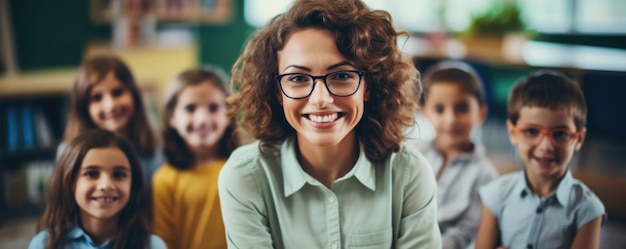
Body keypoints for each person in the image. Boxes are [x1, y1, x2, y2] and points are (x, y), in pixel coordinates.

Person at [217, 0, 441, 248]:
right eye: (298, 78)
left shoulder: (409, 175)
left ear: (368, 85)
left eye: (342, 76)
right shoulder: (246, 178)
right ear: (278, 91)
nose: (321, 99)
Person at [475, 70, 605, 249]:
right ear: (513, 133)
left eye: (560, 133)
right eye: (532, 131)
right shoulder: (496, 195)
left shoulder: (587, 210)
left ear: (578, 139)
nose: (546, 146)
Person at [405, 60, 498, 249]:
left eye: (462, 108)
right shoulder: (411, 152)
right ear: (425, 113)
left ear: (480, 113)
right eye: (439, 109)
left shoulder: (486, 175)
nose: (451, 119)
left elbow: (466, 230)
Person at [28, 129, 166, 249]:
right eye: (92, 174)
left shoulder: (153, 245)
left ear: (133, 184)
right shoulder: (44, 244)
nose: (105, 185)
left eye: (118, 174)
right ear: (69, 182)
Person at [152, 67, 240, 249]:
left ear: (229, 114)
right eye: (190, 108)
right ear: (171, 118)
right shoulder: (165, 180)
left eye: (213, 108)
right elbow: (162, 241)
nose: (202, 120)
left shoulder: (243, 168)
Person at [61, 55, 162, 186]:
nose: (111, 105)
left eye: (117, 92)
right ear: (83, 108)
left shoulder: (155, 150)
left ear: (135, 95)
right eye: (97, 98)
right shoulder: (68, 153)